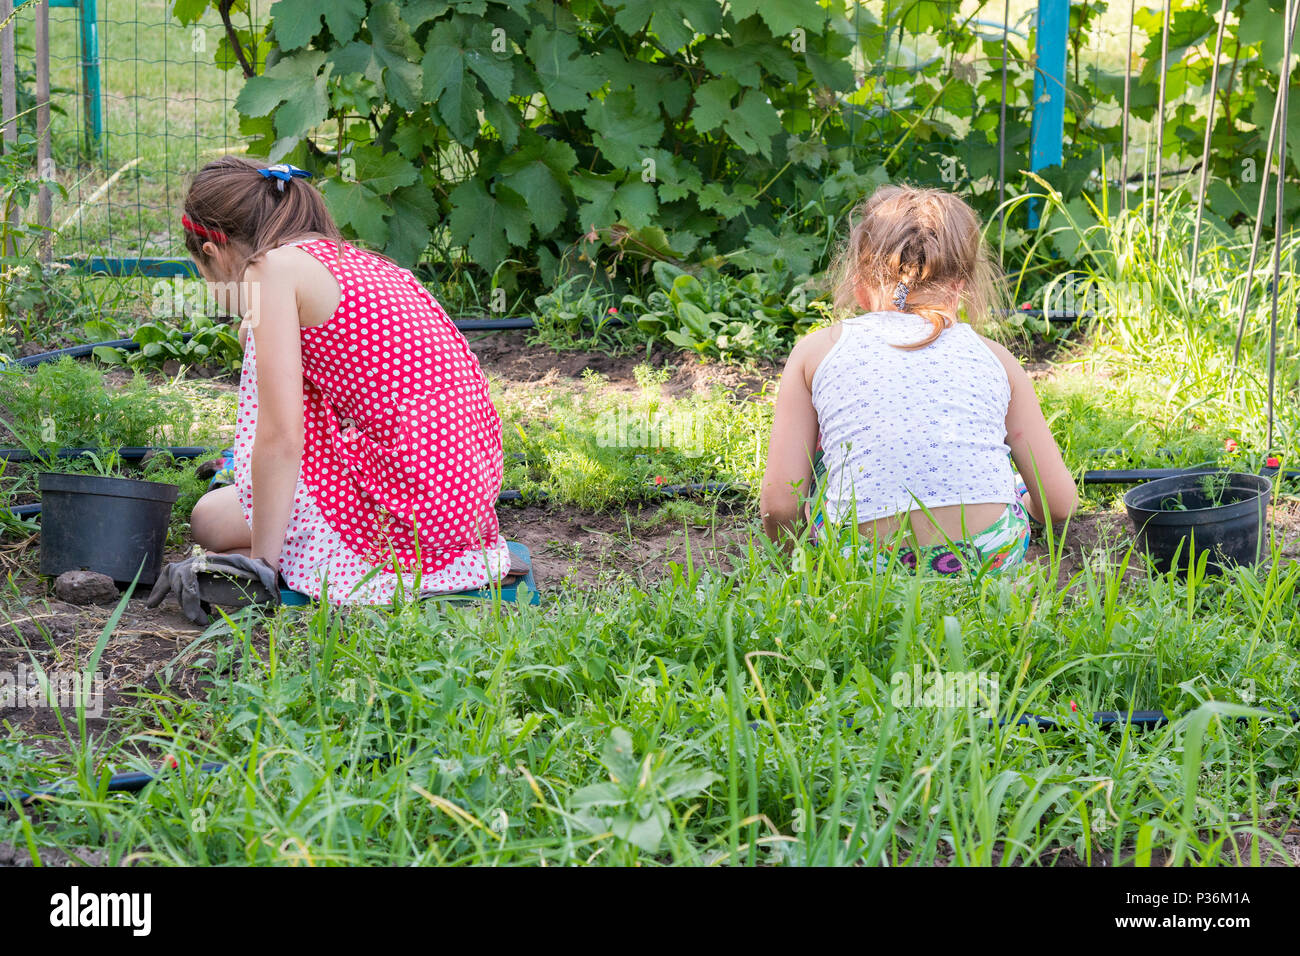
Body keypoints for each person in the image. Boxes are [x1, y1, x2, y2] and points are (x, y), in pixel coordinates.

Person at [181, 156, 511, 604]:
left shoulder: (267, 269)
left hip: (407, 508)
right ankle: (310, 551)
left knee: (208, 520)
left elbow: (281, 435)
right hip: (459, 499)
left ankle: (298, 560)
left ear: (212, 252)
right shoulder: (355, 262)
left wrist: (260, 568)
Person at [759, 184, 1078, 577]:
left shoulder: (815, 351)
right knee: (1004, 474)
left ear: (859, 278)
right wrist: (1026, 504)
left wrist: (796, 555)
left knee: (827, 471)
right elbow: (1059, 503)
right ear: (962, 285)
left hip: (858, 560)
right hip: (986, 555)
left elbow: (779, 503)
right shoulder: (998, 359)